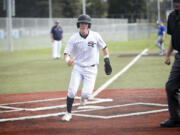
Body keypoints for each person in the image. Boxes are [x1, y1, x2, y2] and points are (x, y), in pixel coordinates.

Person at [61, 14, 112, 122]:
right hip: (78, 68)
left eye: (85, 23)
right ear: (78, 25)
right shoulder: (74, 38)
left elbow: (104, 48)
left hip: (91, 69)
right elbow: (66, 53)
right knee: (71, 91)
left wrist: (107, 61)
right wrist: (68, 60)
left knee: (86, 94)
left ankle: (83, 98)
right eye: (81, 23)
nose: (83, 25)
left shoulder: (95, 36)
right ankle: (68, 113)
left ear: (88, 25)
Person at [160, 0, 180, 128]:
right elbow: (173, 38)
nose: (176, 3)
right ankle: (175, 118)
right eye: (175, 1)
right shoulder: (172, 17)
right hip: (179, 56)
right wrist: (167, 55)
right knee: (170, 87)